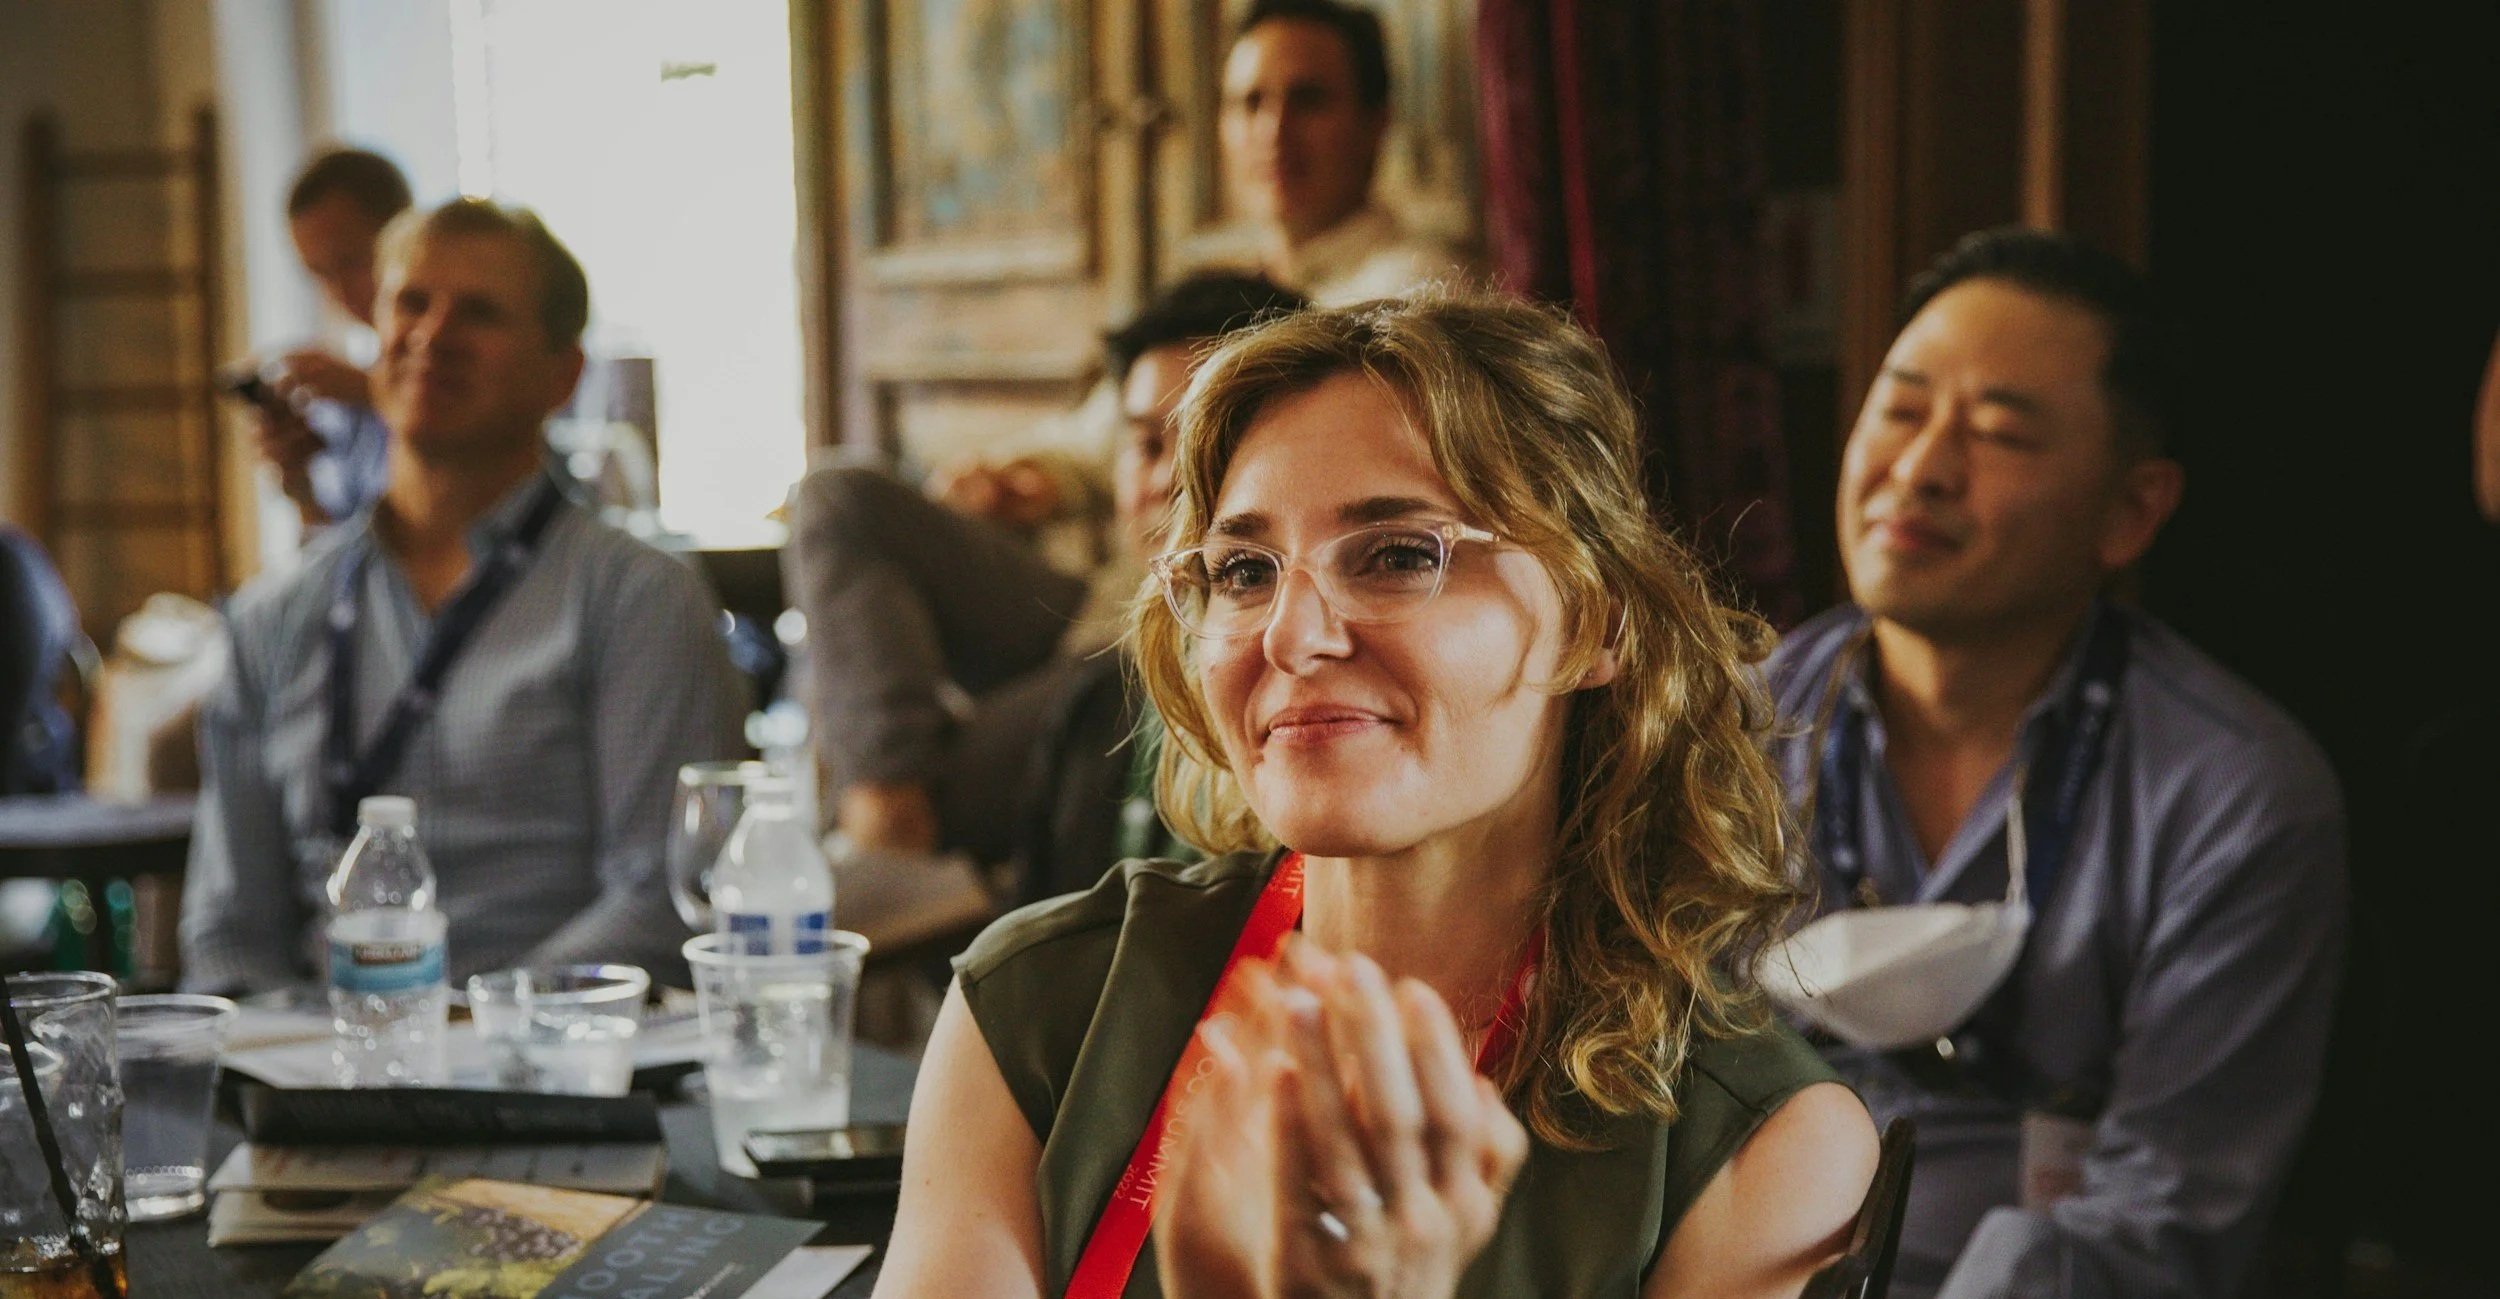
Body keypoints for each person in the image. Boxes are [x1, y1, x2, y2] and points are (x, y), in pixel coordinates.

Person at [872, 291, 1878, 1298]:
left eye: (1399, 556)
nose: (1290, 635)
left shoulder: (1759, 1147)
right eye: (1242, 570)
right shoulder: (1040, 1007)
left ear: (1596, 626)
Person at [1764, 227, 2346, 1298]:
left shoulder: (2233, 794)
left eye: (1998, 433)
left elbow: (2161, 1215)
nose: (1921, 468)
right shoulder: (1726, 737)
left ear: (2130, 511)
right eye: (1897, 410)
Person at [180, 198, 744, 994]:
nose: (432, 336)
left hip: (555, 1070)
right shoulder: (273, 617)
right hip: (316, 1070)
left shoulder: (638, 598)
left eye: (478, 313)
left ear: (564, 373)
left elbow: (658, 900)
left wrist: (458, 1035)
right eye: (410, 302)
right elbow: (228, 928)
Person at [787, 273, 1308, 866]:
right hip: (1094, 615)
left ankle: (883, 846)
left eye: (1199, 441)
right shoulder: (1111, 501)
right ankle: (881, 811)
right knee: (839, 499)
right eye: (1146, 446)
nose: (1165, 478)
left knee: (1104, 691)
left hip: (1132, 672)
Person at [238, 147, 411, 527]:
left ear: (405, 235)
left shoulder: (477, 366)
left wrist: (373, 392)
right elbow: (341, 566)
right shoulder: (351, 409)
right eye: (319, 274)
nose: (339, 292)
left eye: (350, 263)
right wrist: (299, 483)